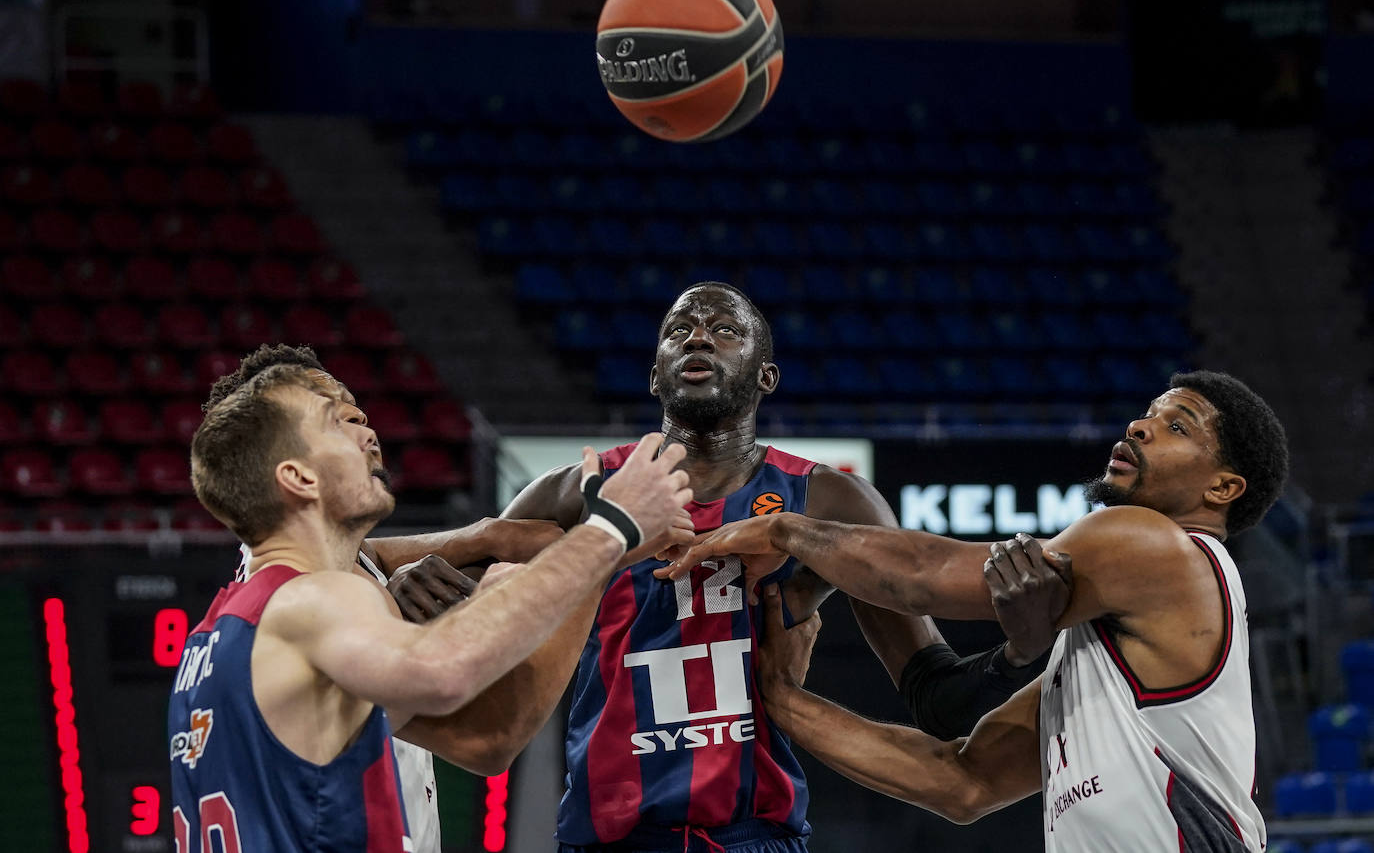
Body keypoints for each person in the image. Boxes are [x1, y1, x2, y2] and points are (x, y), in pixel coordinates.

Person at [504, 281, 1068, 852]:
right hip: (605, 835)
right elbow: (469, 631)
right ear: (655, 375)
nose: (697, 336)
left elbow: (938, 700)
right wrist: (430, 568)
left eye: (725, 330)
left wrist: (1014, 654)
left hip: (754, 835)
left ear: (765, 377)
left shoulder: (829, 500)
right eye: (679, 331)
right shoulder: (580, 489)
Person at [667, 370, 1288, 852]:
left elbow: (921, 575)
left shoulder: (1153, 543)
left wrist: (785, 532)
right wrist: (778, 696)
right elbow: (961, 782)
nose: (1139, 427)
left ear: (1223, 489)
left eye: (1176, 426)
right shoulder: (1103, 662)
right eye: (1148, 413)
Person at [168, 357, 693, 851]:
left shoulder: (219, 632)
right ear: (299, 477)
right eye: (336, 422)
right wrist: (610, 531)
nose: (368, 432)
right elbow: (455, 688)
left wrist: (484, 550)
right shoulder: (311, 599)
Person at [205, 344, 570, 853]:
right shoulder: (313, 609)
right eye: (336, 418)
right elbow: (491, 738)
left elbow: (369, 555)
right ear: (290, 466)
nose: (367, 428)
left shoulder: (276, 587)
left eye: (359, 412)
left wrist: (479, 538)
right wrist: (592, 555)